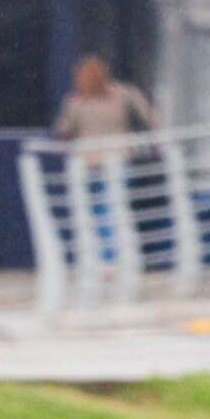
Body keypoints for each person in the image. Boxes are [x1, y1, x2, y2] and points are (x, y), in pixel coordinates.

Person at [53, 55, 157, 264]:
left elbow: (63, 130)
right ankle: (111, 258)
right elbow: (150, 117)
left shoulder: (78, 101)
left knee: (100, 211)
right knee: (109, 210)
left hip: (92, 161)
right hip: (114, 160)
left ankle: (107, 259)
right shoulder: (123, 94)